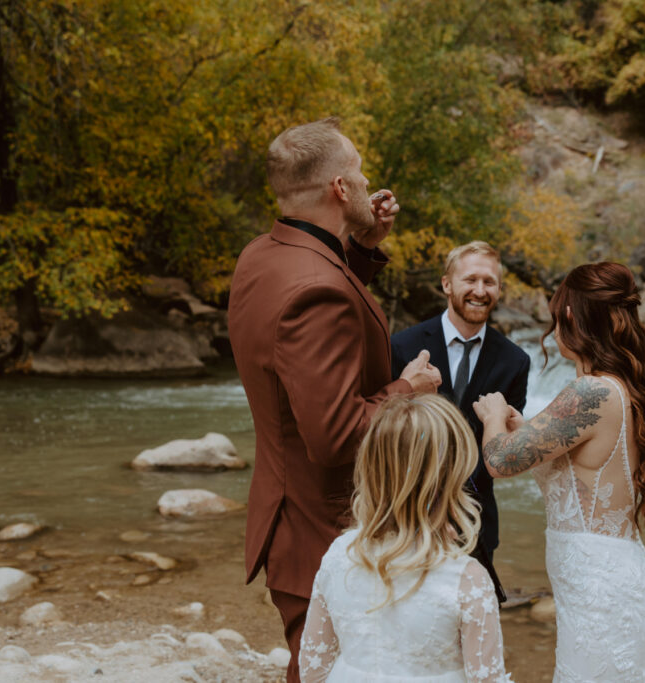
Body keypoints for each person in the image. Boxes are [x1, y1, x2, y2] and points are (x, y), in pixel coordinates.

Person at [228, 117, 441, 683]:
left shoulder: (263, 254)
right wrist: (407, 390)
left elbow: (318, 311)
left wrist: (364, 249)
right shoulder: (313, 290)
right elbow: (336, 435)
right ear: (340, 190)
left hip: (289, 512)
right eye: (360, 171)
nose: (370, 181)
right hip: (322, 529)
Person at [472, 262, 645, 682]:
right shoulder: (619, 386)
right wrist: (522, 429)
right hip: (603, 585)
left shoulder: (591, 391)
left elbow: (500, 461)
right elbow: (572, 461)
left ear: (570, 317)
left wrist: (491, 414)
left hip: (599, 594)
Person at [298, 393, 511, 682]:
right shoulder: (467, 578)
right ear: (450, 479)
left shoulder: (340, 554)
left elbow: (313, 670)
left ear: (372, 468)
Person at [391, 241, 530, 596]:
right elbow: (383, 432)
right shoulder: (402, 346)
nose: (480, 291)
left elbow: (507, 448)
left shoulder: (515, 361)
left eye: (490, 282)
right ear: (447, 284)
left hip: (477, 524)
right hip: (407, 518)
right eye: (470, 280)